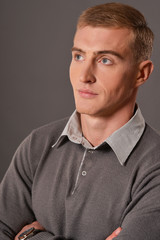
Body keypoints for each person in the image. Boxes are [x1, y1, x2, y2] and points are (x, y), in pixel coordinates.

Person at [0, 2, 160, 240]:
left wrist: (29, 237)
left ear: (141, 73)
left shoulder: (155, 167)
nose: (84, 76)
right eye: (78, 56)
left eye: (105, 60)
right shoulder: (38, 145)